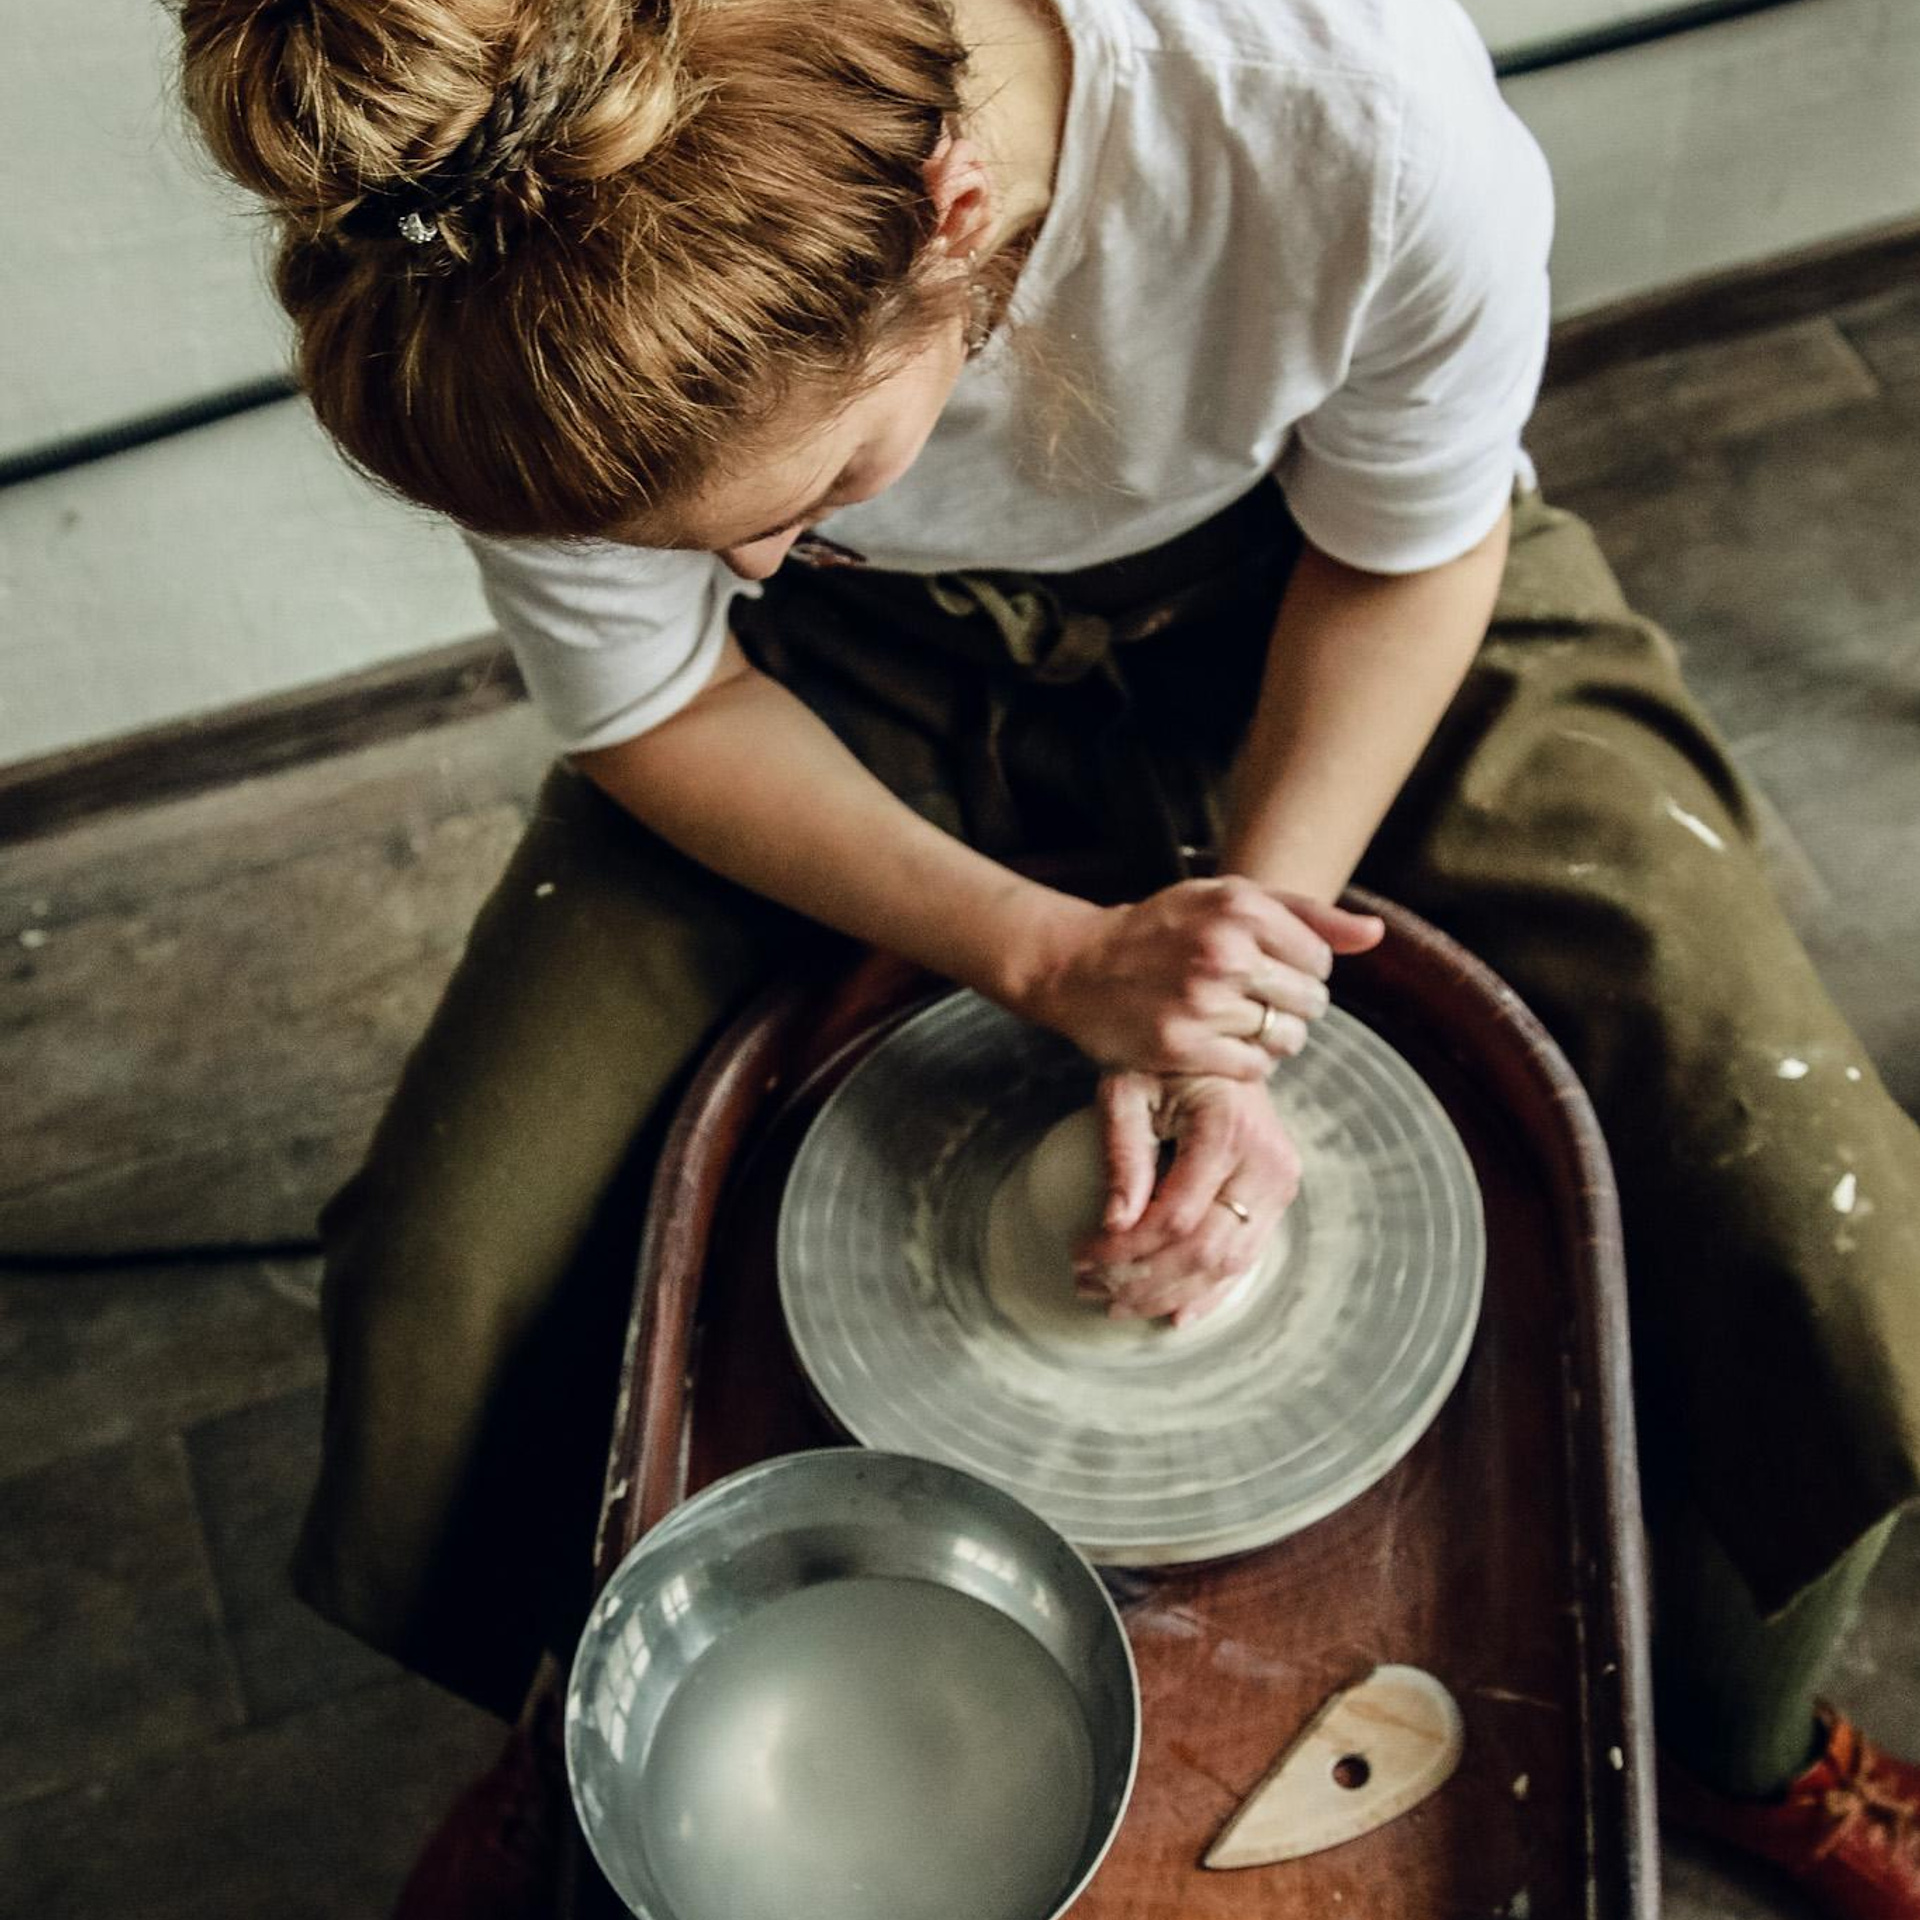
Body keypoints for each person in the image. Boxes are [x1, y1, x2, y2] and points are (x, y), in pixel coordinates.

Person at [178, 0, 1920, 1912]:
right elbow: (670, 686)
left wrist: (1239, 990)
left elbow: (1413, 545)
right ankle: (586, 1734)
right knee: (449, 1266)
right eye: (705, 533)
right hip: (846, 687)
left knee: (1827, 1244)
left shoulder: (1342, 100)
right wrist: (1043, 950)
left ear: (956, 210)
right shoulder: (516, 252)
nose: (741, 560)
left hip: (1325, 577)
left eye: (803, 494)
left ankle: (1746, 1746)